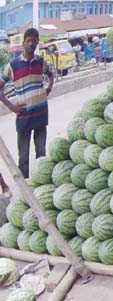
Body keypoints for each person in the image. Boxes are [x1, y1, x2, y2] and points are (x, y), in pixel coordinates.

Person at [0, 27, 54, 188]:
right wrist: (11, 106)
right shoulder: (13, 65)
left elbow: (50, 74)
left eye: (34, 40)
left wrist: (49, 87)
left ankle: (41, 187)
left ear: (38, 42)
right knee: (23, 157)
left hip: (41, 114)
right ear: (23, 43)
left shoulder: (40, 61)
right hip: (23, 117)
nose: (31, 44)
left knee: (41, 154)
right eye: (28, 41)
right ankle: (25, 190)